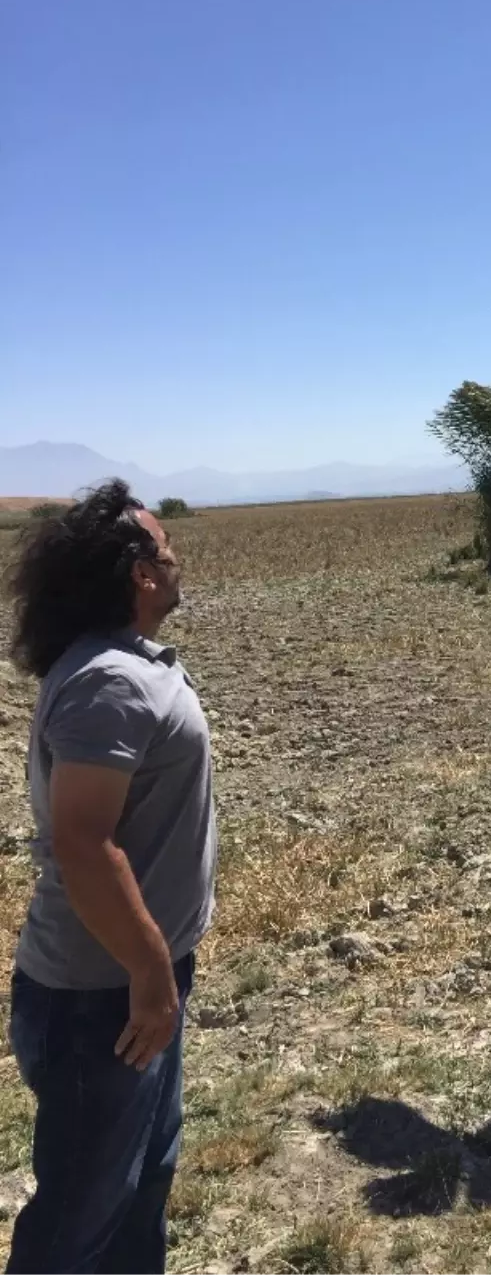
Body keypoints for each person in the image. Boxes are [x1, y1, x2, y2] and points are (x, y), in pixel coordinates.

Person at [3, 478, 216, 1274]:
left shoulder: (122, 668)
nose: (176, 557)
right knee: (76, 1223)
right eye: (165, 548)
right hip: (103, 998)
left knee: (137, 1188)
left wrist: (161, 972)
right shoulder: (111, 682)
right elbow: (84, 845)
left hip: (127, 988)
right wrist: (151, 970)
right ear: (139, 573)